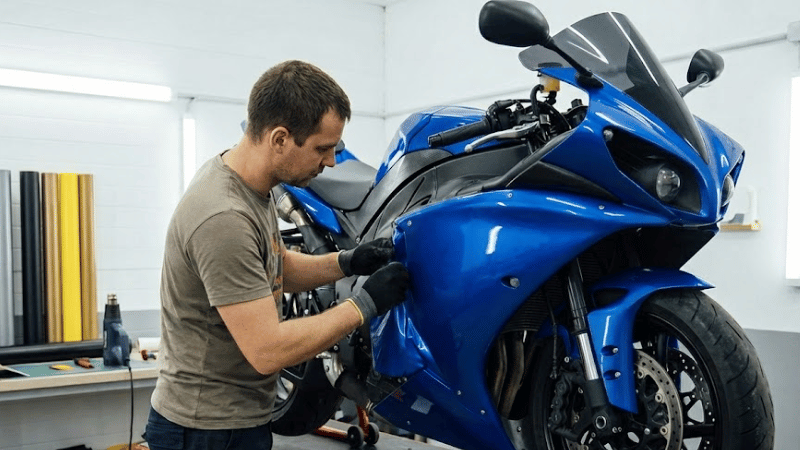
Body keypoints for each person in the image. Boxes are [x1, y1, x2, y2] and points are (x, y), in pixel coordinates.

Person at [145, 60, 410, 450]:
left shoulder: (249, 182)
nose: (332, 162)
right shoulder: (223, 216)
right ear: (280, 138)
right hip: (206, 433)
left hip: (234, 422)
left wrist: (346, 263)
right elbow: (268, 350)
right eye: (322, 148)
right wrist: (363, 305)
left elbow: (275, 265)